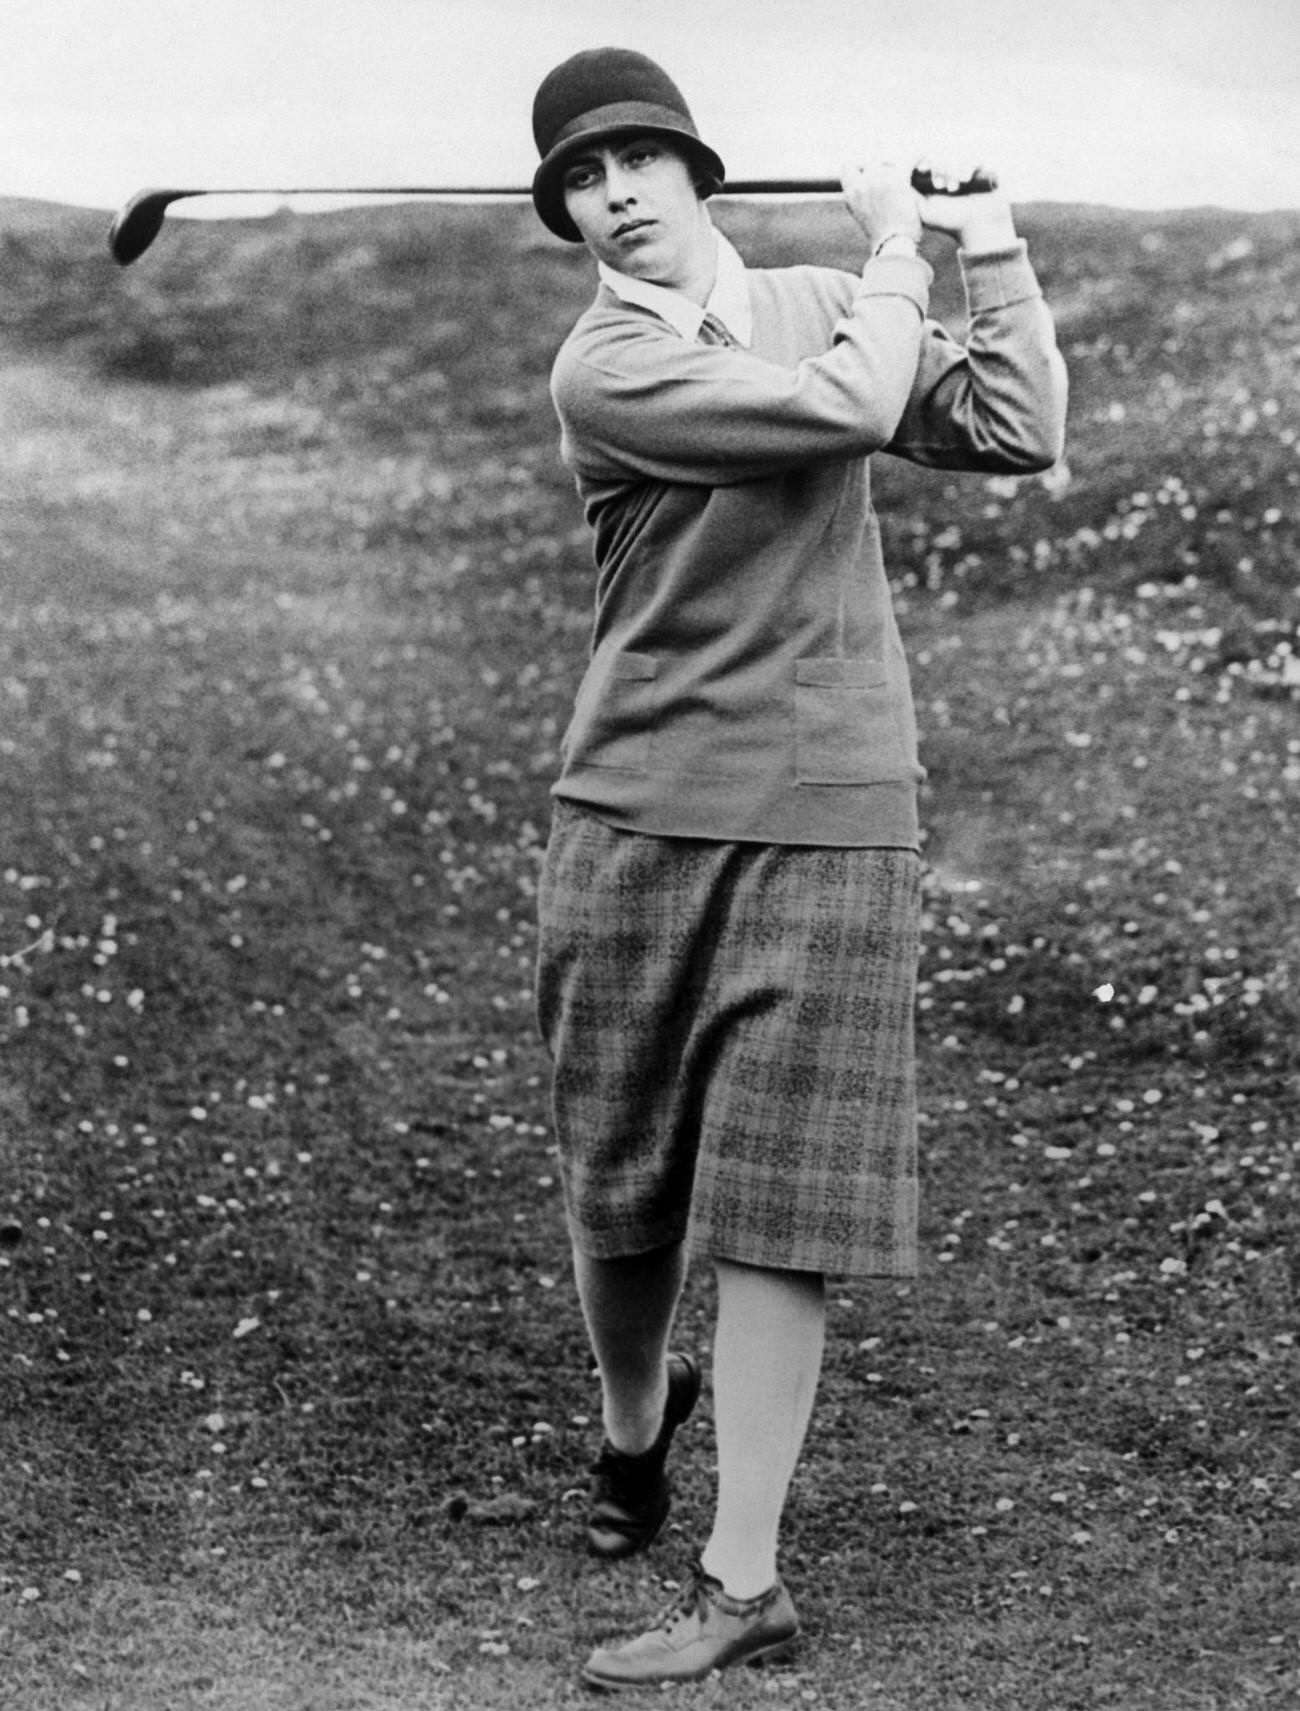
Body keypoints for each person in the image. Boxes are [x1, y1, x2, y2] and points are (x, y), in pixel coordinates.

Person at [528, 46, 1067, 1691]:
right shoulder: (605, 367)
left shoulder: (824, 298)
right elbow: (846, 406)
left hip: (832, 803)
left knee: (781, 1205)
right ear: (565, 213)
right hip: (637, 801)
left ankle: (742, 1572)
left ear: (697, 172)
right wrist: (897, 261)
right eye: (582, 178)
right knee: (623, 1183)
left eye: (639, 161)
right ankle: (635, 1429)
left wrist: (988, 247)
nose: (615, 197)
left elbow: (1013, 424)